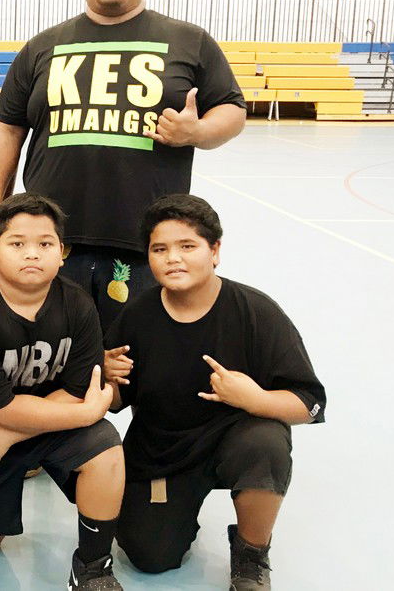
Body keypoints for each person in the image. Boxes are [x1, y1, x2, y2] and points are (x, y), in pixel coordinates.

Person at [0, 0, 246, 338]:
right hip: (51, 241)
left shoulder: (188, 40)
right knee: (52, 357)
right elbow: (6, 128)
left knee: (142, 362)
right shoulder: (42, 46)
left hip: (148, 244)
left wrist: (198, 130)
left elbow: (232, 110)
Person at [105, 194, 327, 590]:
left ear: (215, 250)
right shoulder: (137, 317)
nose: (173, 258)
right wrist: (108, 377)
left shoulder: (256, 312)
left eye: (187, 246)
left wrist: (254, 399)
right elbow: (118, 402)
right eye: (160, 249)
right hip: (162, 453)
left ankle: (250, 553)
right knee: (150, 556)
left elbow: (309, 403)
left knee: (266, 442)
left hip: (234, 441)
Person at [0, 192, 126, 591]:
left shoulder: (77, 305)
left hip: (21, 431)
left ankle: (93, 567)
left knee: (107, 446)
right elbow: (0, 409)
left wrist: (13, 432)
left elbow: (79, 388)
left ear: (63, 252)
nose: (32, 254)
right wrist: (85, 414)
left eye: (45, 244)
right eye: (17, 243)